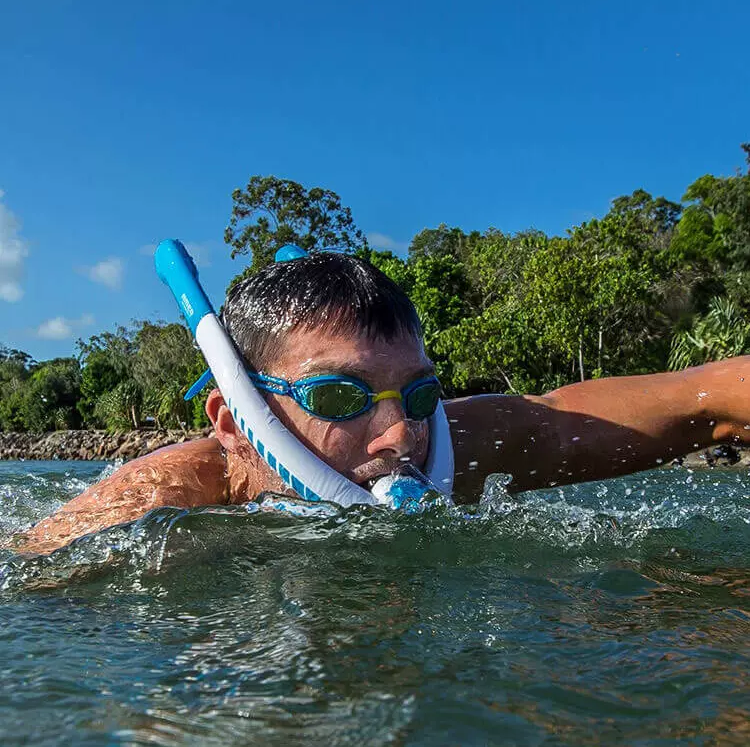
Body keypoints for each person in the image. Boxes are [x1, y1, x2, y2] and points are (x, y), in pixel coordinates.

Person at [15, 253, 750, 554]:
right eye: (341, 395)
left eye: (420, 393)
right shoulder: (162, 501)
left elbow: (704, 400)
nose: (401, 434)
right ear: (235, 423)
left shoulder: (464, 447)